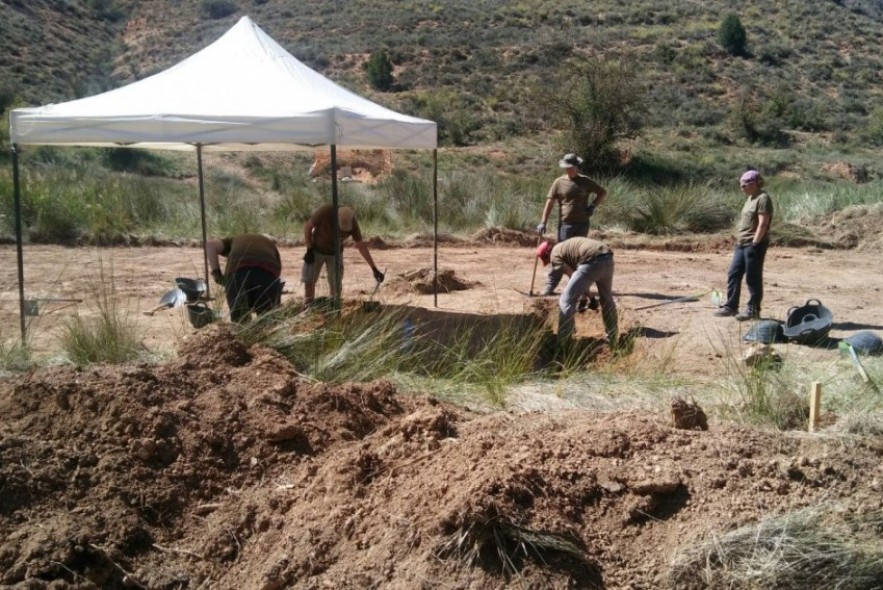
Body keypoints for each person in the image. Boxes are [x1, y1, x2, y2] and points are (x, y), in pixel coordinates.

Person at [536, 153, 608, 297]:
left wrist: (592, 206)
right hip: (565, 226)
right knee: (560, 256)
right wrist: (543, 221)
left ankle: (577, 286)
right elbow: (549, 202)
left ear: (576, 166)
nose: (568, 170)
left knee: (578, 257)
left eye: (571, 167)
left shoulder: (585, 181)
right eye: (566, 167)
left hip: (582, 224)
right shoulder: (559, 182)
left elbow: (602, 192)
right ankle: (550, 286)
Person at [714, 169, 773, 321]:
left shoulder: (763, 198)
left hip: (754, 244)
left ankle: (753, 310)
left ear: (753, 183)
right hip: (741, 243)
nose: (741, 188)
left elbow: (763, 223)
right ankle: (731, 306)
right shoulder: (750, 198)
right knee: (734, 274)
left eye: (744, 185)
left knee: (753, 278)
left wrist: (755, 243)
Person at [536, 237, 618, 348]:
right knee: (607, 299)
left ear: (547, 253)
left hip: (591, 260)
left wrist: (587, 297)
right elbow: (580, 278)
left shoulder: (554, 254)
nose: (549, 262)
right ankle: (612, 339)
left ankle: (563, 343)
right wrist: (589, 298)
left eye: (545, 258)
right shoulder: (565, 248)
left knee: (566, 300)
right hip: (607, 257)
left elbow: (572, 276)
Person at [302, 204, 384, 304]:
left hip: (335, 254)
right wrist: (309, 249)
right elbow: (307, 227)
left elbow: (361, 246)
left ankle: (334, 306)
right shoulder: (325, 212)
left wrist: (374, 269)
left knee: (336, 283)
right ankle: (308, 305)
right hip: (316, 250)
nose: (342, 233)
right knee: (309, 279)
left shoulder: (353, 222)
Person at [206, 234, 283, 323]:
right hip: (267, 270)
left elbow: (210, 245)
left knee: (240, 321)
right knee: (269, 320)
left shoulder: (232, 240)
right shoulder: (269, 244)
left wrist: (217, 274)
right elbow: (277, 273)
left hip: (238, 272)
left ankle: (242, 334)